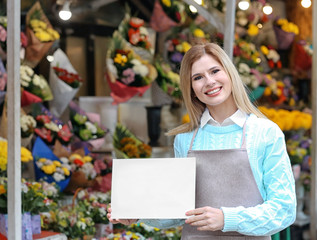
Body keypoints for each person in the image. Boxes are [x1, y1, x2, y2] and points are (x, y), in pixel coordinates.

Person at [107, 42, 296, 239]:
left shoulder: (265, 133)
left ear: (230, 74)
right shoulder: (185, 140)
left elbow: (284, 209)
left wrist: (226, 219)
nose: (209, 81)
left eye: (215, 71)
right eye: (198, 77)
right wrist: (138, 213)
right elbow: (180, 210)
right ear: (191, 89)